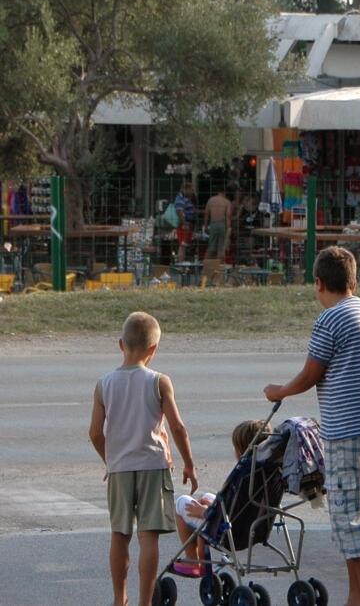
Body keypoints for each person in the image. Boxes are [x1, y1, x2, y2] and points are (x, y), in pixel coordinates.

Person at [264, 246, 360, 606]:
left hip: (349, 428)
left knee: (350, 517)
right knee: (357, 507)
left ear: (318, 283)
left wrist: (280, 390)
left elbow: (311, 372)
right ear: (353, 279)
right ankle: (356, 596)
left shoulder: (331, 318)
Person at [88, 312, 198, 606]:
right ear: (154, 350)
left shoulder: (104, 384)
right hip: (153, 467)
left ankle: (118, 598)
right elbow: (177, 427)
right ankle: (145, 602)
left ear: (120, 344)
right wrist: (189, 463)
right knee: (148, 537)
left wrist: (110, 459)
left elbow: (95, 433)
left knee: (119, 535)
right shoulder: (160, 381)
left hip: (119, 470)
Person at [171, 419, 270, 576]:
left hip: (229, 531)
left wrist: (205, 511)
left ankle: (193, 559)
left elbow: (229, 510)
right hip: (255, 527)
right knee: (207, 497)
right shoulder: (266, 473)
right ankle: (202, 550)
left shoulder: (243, 474)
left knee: (181, 503)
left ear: (240, 450)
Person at [203, 187, 233, 260]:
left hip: (213, 224)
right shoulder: (227, 202)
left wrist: (206, 226)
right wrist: (229, 229)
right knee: (221, 248)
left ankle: (207, 265)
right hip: (222, 224)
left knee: (211, 248)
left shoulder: (211, 200)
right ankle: (219, 267)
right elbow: (228, 216)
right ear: (224, 193)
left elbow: (206, 214)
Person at [174, 182, 197, 261]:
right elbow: (179, 211)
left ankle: (182, 261)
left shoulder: (185, 198)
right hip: (185, 223)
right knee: (183, 244)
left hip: (188, 223)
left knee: (184, 244)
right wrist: (184, 222)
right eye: (191, 190)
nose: (192, 191)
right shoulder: (180, 198)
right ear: (186, 189)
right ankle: (180, 262)